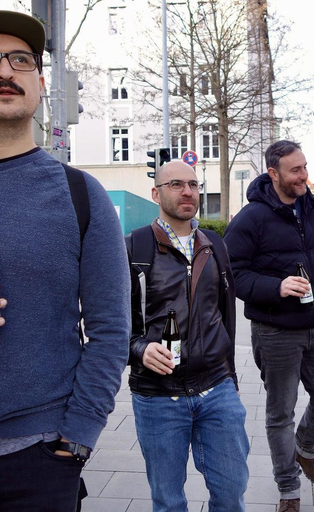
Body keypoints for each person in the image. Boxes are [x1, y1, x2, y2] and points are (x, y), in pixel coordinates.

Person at [0, 10, 130, 511]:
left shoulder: (81, 195)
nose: (5, 71)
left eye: (21, 60)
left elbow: (111, 329)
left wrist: (79, 434)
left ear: (41, 84)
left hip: (41, 460)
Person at [223, 140, 314, 512]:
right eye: (295, 170)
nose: (305, 176)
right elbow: (231, 275)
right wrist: (275, 287)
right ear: (273, 173)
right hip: (275, 331)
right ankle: (289, 490)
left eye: (305, 167)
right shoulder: (251, 218)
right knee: (281, 412)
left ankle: (305, 449)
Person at [126, 160, 249, 511]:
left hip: (217, 388)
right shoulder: (135, 248)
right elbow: (110, 324)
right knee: (168, 500)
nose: (188, 192)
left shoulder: (214, 245)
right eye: (177, 184)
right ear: (157, 193)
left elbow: (226, 313)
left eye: (194, 185)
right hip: (158, 397)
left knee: (231, 494)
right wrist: (139, 349)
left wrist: (231, 378)